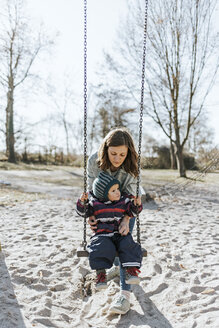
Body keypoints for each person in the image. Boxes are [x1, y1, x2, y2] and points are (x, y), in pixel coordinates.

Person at [86, 127, 142, 314]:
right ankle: (115, 269)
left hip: (125, 205)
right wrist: (90, 214)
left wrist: (127, 218)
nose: (117, 159)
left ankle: (124, 297)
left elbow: (133, 197)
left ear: (128, 153)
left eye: (122, 154)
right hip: (102, 207)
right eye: (113, 154)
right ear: (105, 149)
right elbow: (91, 191)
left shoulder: (132, 164)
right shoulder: (94, 161)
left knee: (124, 240)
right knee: (105, 240)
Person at [76, 171, 142, 290]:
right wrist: (82, 203)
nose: (118, 192)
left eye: (118, 189)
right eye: (113, 191)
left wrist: (137, 205)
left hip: (119, 233)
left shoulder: (123, 201)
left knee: (129, 243)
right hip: (102, 234)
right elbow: (83, 213)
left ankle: (131, 271)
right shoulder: (95, 203)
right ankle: (101, 275)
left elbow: (132, 211)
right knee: (99, 247)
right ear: (103, 194)